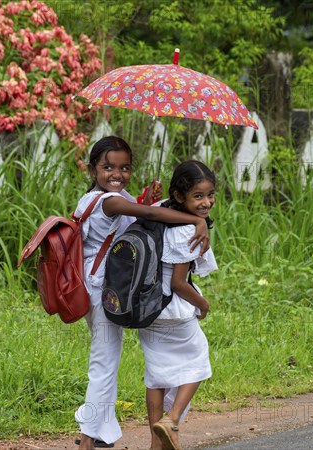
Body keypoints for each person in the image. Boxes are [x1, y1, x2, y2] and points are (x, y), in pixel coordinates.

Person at [74, 137, 211, 450]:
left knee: (107, 365)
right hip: (100, 293)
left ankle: (97, 436)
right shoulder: (107, 200)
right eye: (108, 167)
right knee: (103, 368)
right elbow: (152, 216)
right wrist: (195, 219)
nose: (117, 174)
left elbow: (137, 214)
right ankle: (87, 441)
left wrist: (147, 198)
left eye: (124, 167)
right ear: (93, 168)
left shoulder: (116, 196)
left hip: (108, 290)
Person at [138, 160, 218, 450]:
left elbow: (147, 208)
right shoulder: (187, 231)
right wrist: (204, 304)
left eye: (210, 194)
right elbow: (179, 283)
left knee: (156, 376)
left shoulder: (160, 210)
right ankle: (171, 421)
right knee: (198, 361)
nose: (206, 202)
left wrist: (152, 195)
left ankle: (155, 444)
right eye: (198, 196)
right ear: (180, 196)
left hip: (148, 308)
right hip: (174, 310)